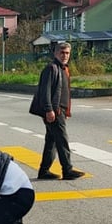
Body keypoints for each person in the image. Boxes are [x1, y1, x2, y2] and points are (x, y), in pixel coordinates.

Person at [33, 42, 85, 180]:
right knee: (62, 141)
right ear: (55, 53)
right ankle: (67, 170)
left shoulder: (64, 69)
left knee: (52, 141)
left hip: (60, 110)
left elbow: (64, 92)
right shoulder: (51, 68)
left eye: (67, 53)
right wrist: (49, 110)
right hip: (54, 111)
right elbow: (45, 91)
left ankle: (44, 171)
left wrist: (66, 111)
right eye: (62, 53)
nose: (65, 55)